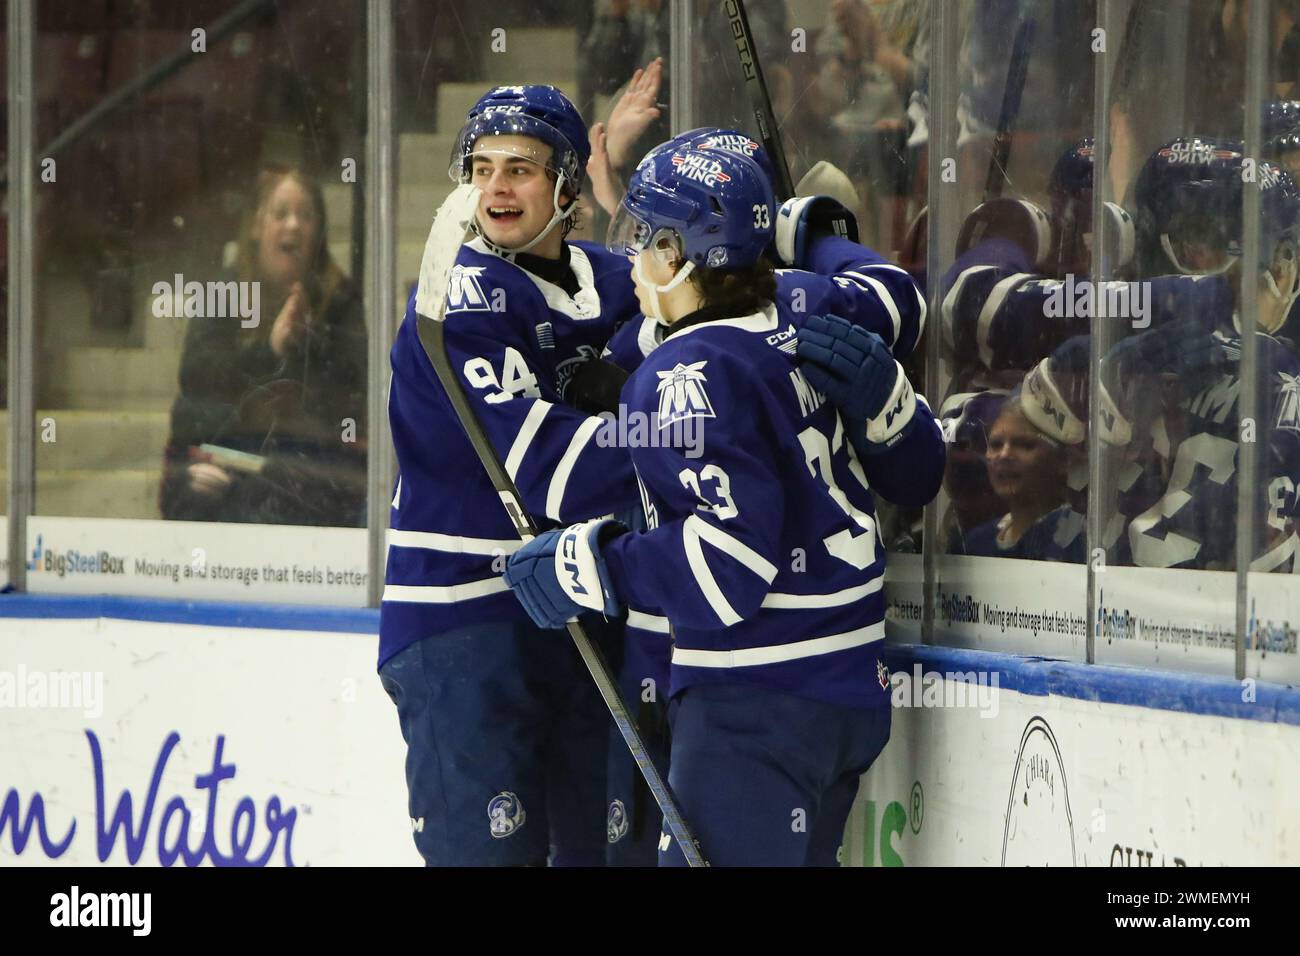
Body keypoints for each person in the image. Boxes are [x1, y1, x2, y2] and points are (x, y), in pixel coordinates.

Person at [503, 145, 945, 866]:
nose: (633, 252)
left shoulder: (682, 375)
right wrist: (820, 240)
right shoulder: (802, 314)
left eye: (645, 235)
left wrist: (592, 566)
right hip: (848, 690)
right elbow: (892, 296)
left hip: (757, 701)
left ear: (680, 254)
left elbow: (726, 567)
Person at [159, 165, 367, 527]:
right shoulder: (224, 292)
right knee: (195, 496)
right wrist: (268, 350)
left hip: (309, 470)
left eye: (305, 216)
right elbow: (197, 381)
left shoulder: (341, 300)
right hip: (224, 458)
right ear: (256, 226)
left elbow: (352, 394)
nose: (293, 226)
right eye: (280, 213)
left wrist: (306, 345)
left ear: (319, 232)